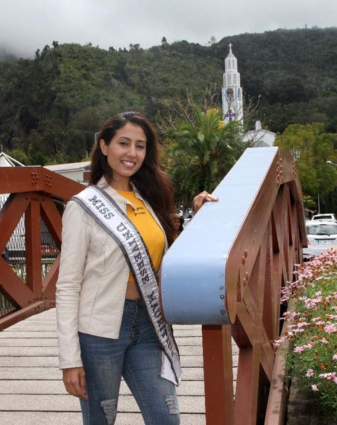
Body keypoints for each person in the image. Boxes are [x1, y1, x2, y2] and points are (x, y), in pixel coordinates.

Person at [56, 111, 217, 425]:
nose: (132, 153)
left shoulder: (150, 200)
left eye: (140, 146)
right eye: (123, 143)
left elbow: (165, 260)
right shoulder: (83, 206)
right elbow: (67, 286)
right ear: (104, 146)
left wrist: (199, 218)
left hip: (148, 325)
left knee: (166, 419)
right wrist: (69, 359)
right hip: (99, 332)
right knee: (101, 420)